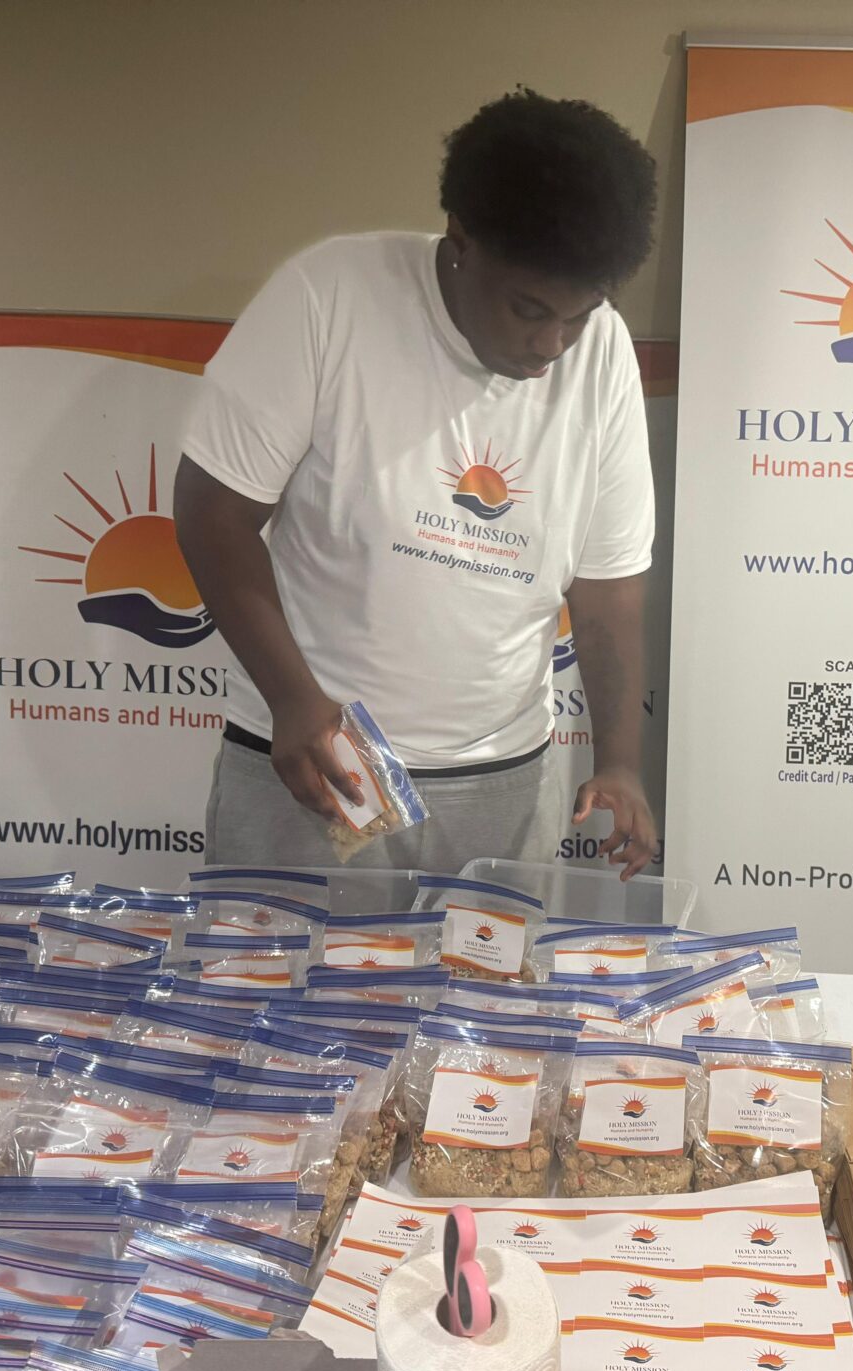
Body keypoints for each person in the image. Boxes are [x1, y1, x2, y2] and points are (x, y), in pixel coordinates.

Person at [174, 89, 660, 878]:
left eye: (579, 315)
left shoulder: (601, 352)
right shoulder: (329, 298)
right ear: (460, 238)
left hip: (506, 780)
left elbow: (608, 588)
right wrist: (293, 698)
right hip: (321, 767)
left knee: (490, 967)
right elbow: (213, 511)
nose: (552, 344)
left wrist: (621, 761)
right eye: (529, 308)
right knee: (293, 965)